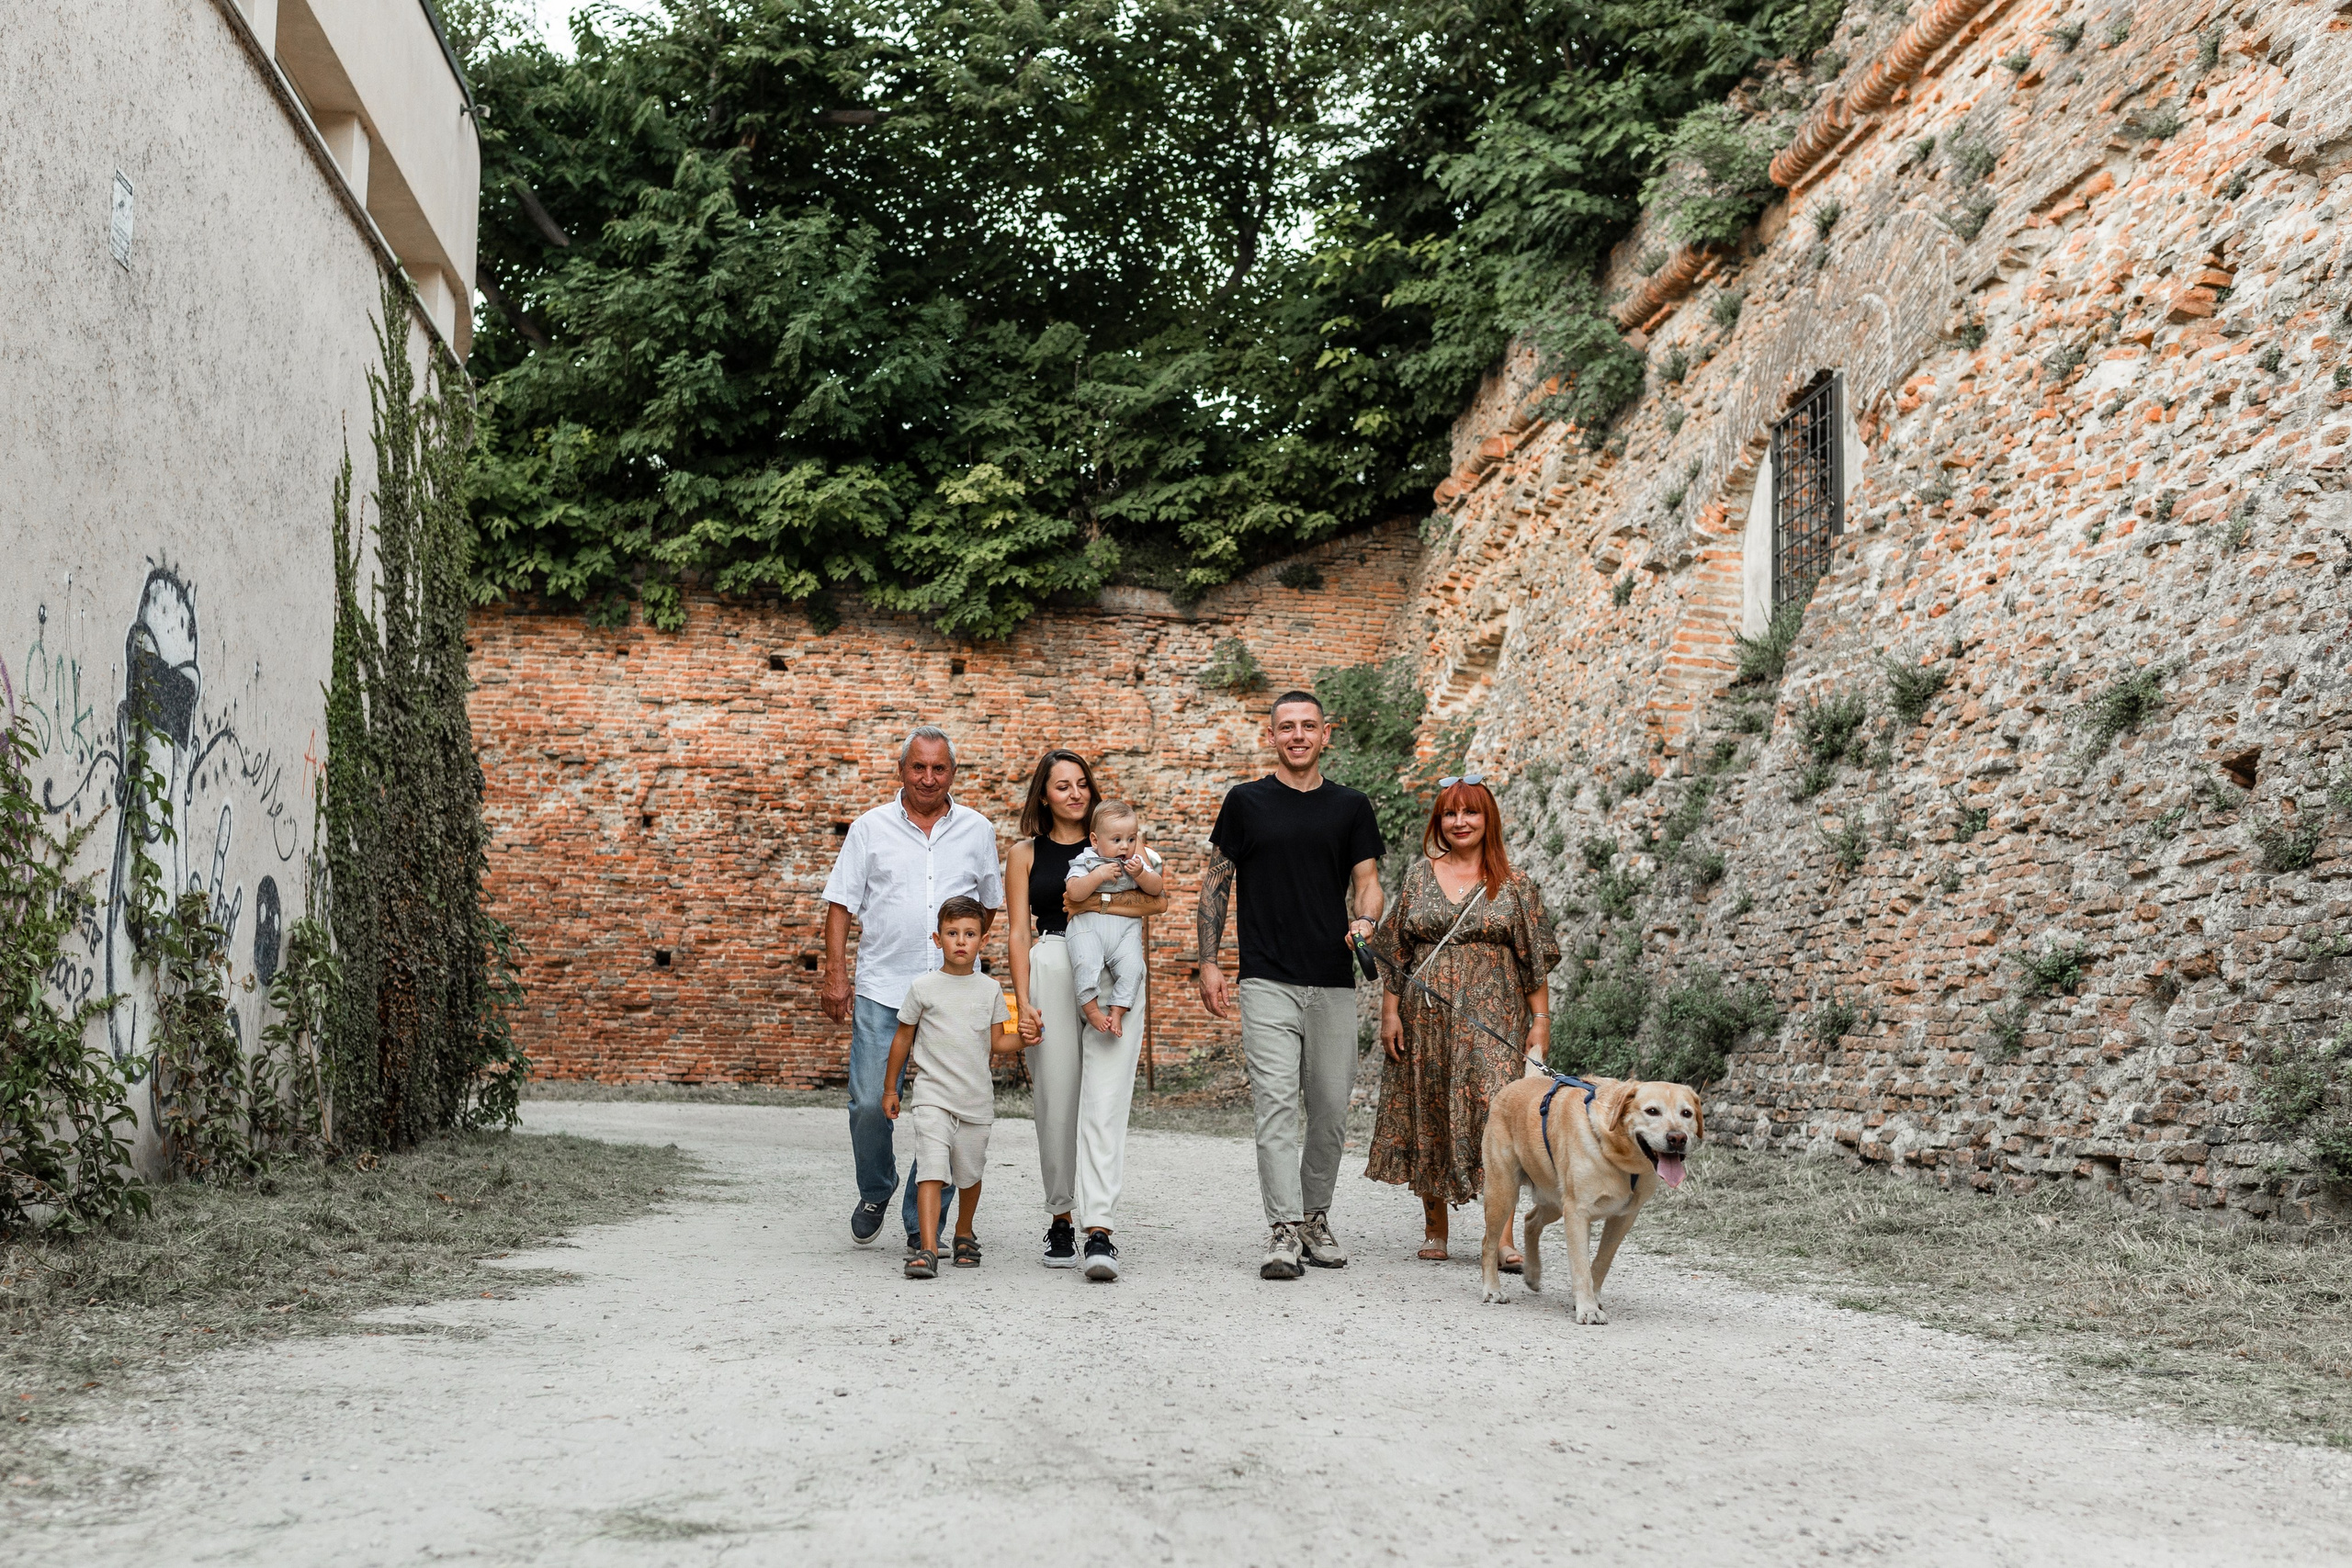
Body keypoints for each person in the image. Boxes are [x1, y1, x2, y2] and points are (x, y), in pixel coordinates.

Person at [1197, 690, 1385, 1280]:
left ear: (1326, 734)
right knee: (1276, 1107)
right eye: (1287, 727)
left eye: (1309, 726)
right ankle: (1282, 1231)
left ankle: (1314, 1219)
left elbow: (1369, 880)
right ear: (1271, 735)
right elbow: (1215, 884)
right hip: (1265, 979)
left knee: (1329, 1110)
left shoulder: (1351, 807)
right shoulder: (1246, 802)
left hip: (1332, 980)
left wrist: (1365, 919)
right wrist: (1208, 960)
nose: (1298, 735)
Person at [820, 727, 1005, 1255]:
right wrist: (836, 974)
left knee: (943, 1112)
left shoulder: (977, 830)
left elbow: (986, 904)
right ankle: (877, 1189)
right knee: (868, 1105)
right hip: (885, 987)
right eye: (918, 767)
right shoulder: (869, 828)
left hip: (951, 999)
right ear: (901, 770)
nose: (928, 778)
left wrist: (959, 956)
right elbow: (840, 904)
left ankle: (920, 1223)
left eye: (939, 768)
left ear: (953, 773)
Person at [1367, 774, 1557, 1263]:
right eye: (1450, 814)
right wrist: (1390, 1015)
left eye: (1470, 812)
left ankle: (1503, 1236)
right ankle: (1436, 1228)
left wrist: (1541, 1022)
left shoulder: (1516, 886)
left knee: (1499, 1117)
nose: (1460, 822)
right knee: (1427, 1108)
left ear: (1487, 818)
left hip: (1495, 1019)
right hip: (1425, 1019)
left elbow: (1533, 963)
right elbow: (1396, 955)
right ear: (1439, 822)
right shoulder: (1417, 877)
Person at [1005, 751, 1166, 1280]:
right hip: (1051, 961)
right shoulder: (1025, 853)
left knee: (1107, 1097)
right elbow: (1017, 931)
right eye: (1060, 786)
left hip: (1114, 971)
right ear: (1043, 795)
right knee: (1055, 1096)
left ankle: (1100, 1230)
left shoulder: (1122, 842)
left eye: (1081, 784)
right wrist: (1022, 1001)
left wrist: (1092, 908)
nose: (1073, 794)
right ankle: (1061, 1217)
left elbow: (1156, 904)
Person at [881, 897, 1023, 1279]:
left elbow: (998, 1042)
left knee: (969, 1174)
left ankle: (964, 1231)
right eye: (952, 933)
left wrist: (1027, 1038)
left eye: (970, 934)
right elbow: (901, 1039)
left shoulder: (990, 990)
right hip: (932, 1097)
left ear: (983, 940)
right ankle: (927, 1248)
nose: (961, 941)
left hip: (975, 1099)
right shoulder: (923, 987)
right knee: (930, 1168)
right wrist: (890, 1089)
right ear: (937, 938)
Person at [1063, 800, 1165, 1039]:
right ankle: (1091, 1010)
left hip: (1125, 933)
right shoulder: (1087, 861)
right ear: (1095, 841)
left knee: (1133, 968)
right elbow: (1074, 893)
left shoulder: (1135, 864)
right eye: (1117, 840)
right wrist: (1098, 875)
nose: (1125, 847)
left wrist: (1141, 874)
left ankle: (1117, 1011)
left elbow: (1157, 890)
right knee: (1085, 963)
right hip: (1089, 930)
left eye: (1131, 839)